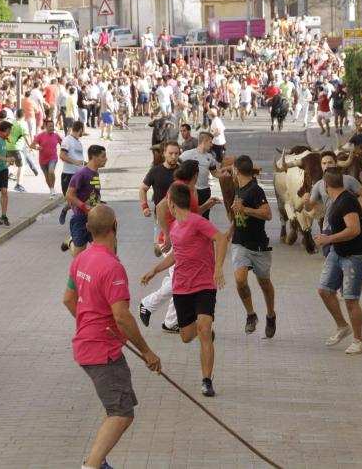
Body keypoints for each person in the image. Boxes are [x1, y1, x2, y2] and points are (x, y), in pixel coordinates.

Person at [63, 205, 161, 469]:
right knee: (121, 413)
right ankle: (92, 466)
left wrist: (88, 322)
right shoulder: (112, 267)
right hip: (102, 351)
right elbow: (121, 316)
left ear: (88, 229)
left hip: (92, 346)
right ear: (115, 226)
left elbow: (68, 299)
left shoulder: (81, 258)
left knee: (119, 407)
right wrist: (147, 351)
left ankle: (98, 462)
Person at [141, 182, 228, 397]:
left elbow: (221, 238)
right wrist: (155, 270)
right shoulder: (174, 228)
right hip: (182, 288)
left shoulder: (197, 222)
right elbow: (175, 255)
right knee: (187, 336)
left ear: (171, 203)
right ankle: (201, 326)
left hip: (205, 284)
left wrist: (218, 269)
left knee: (205, 330)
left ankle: (207, 380)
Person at [314, 168, 362, 354]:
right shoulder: (336, 200)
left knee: (351, 300)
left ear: (325, 185)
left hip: (356, 257)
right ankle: (342, 326)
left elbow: (354, 229)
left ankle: (358, 340)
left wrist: (328, 239)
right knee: (324, 290)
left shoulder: (347, 202)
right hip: (337, 253)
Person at [227, 155, 277, 337]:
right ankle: (251, 315)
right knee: (240, 280)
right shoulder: (238, 189)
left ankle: (271, 315)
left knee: (264, 283)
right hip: (240, 243)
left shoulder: (256, 190)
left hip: (258, 246)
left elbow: (268, 214)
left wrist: (246, 209)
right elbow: (238, 214)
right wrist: (229, 231)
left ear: (236, 171)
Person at [304, 151, 362, 255]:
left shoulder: (348, 180)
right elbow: (309, 208)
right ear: (321, 165)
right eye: (324, 163)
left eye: (330, 162)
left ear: (336, 163)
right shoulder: (318, 185)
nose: (327, 165)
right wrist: (306, 202)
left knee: (343, 259)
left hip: (346, 228)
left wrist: (359, 211)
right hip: (328, 228)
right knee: (331, 258)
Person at [66, 145, 108, 257]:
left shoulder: (95, 173)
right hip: (81, 218)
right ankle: (71, 242)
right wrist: (84, 207)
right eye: (103, 156)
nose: (106, 159)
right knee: (79, 256)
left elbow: (91, 193)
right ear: (94, 157)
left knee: (101, 250)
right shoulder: (81, 174)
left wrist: (99, 202)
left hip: (94, 218)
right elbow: (69, 195)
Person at [139, 141, 179, 253]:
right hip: (161, 216)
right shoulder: (155, 171)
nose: (174, 156)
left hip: (179, 217)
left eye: (176, 153)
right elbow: (143, 189)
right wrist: (145, 206)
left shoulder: (182, 171)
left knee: (176, 251)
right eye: (171, 153)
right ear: (164, 153)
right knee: (159, 251)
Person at [180, 132, 221, 218]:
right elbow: (177, 169)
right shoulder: (186, 155)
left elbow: (214, 173)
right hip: (191, 190)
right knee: (191, 215)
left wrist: (224, 175)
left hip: (205, 191)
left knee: (205, 217)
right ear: (204, 142)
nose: (212, 145)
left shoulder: (210, 157)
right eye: (210, 142)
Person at [59, 121, 86, 225]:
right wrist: (75, 162)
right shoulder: (67, 140)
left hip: (79, 174)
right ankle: (65, 211)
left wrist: (85, 164)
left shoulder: (78, 142)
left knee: (80, 198)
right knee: (71, 199)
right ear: (80, 130)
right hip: (68, 174)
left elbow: (78, 158)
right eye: (83, 130)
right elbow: (62, 155)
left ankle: (77, 220)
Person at [31, 118, 63, 198]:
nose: (52, 128)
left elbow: (62, 143)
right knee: (47, 176)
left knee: (51, 172)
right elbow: (32, 145)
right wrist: (38, 148)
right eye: (50, 126)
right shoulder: (40, 136)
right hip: (43, 160)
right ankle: (51, 189)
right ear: (46, 127)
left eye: (53, 126)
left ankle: (52, 188)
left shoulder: (56, 136)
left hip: (53, 157)